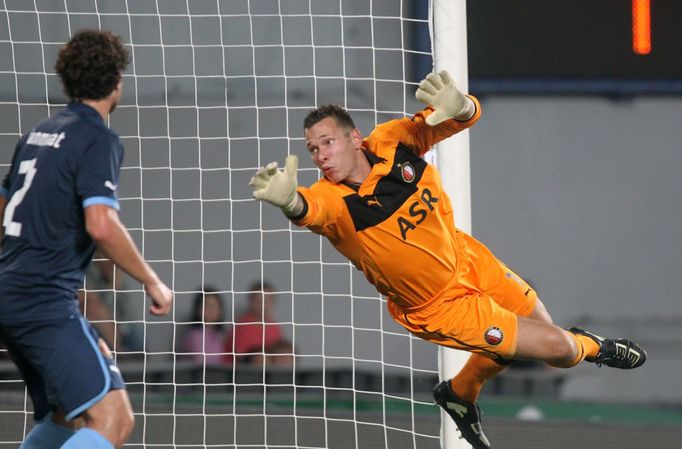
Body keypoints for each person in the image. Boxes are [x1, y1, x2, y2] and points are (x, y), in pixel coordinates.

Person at [249, 70, 646, 449]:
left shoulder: (391, 141)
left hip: (469, 258)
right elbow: (309, 210)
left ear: (354, 138)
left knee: (534, 338)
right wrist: (288, 201)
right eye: (312, 149)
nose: (319, 155)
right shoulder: (334, 202)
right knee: (561, 351)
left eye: (327, 142)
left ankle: (459, 393)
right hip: (439, 307)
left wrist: (462, 105)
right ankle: (597, 347)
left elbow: (456, 119)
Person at [0, 30, 173, 449]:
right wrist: (151, 280)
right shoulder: (98, 139)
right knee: (114, 420)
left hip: (14, 294)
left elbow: (3, 210)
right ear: (117, 80)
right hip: (43, 300)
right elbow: (100, 225)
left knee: (66, 414)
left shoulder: (37, 134)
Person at [228, 281, 294, 367]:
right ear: (250, 302)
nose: (262, 304)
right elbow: (241, 357)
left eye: (267, 300)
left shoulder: (274, 327)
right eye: (258, 300)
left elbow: (278, 351)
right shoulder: (241, 326)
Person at [181, 288, 229, 366]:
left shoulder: (222, 335)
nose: (212, 310)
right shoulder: (194, 336)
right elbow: (200, 363)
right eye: (207, 306)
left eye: (215, 306)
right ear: (198, 310)